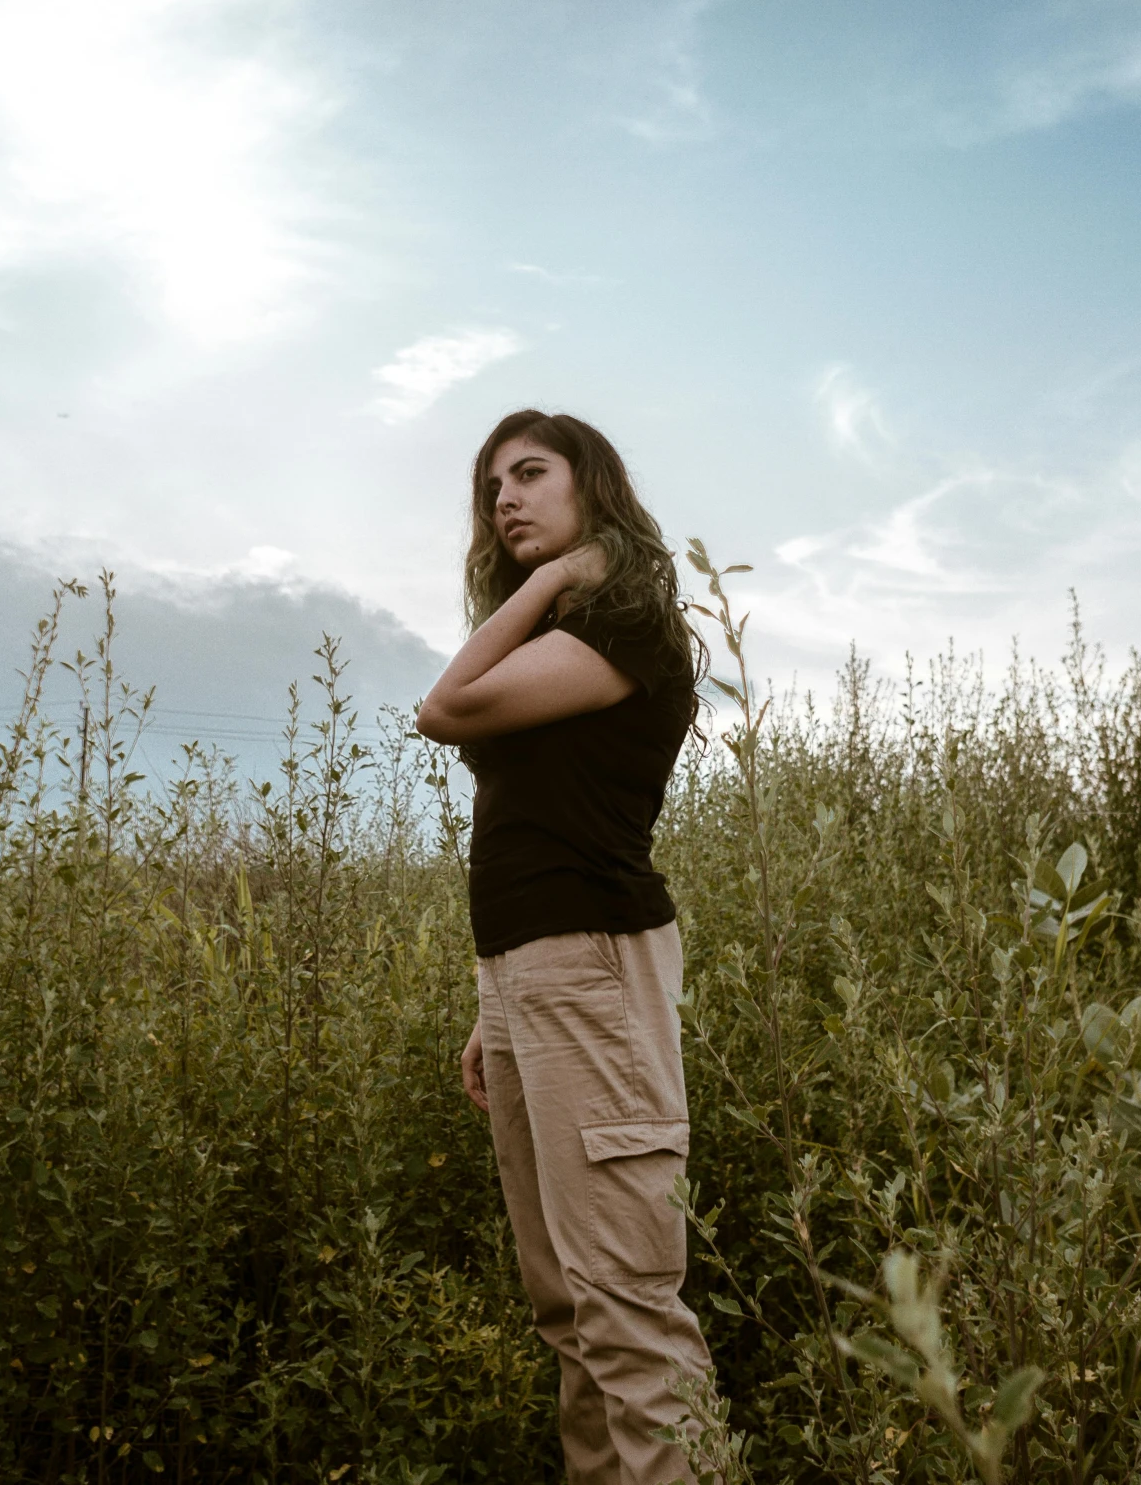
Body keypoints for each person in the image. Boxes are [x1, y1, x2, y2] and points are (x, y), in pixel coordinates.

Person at [416, 409, 712, 1484]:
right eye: (492, 482)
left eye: (531, 474)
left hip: (589, 960)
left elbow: (445, 706)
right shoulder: (562, 644)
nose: (503, 497)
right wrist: (491, 1003)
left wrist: (544, 583)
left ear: (594, 489)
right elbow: (541, 817)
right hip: (531, 971)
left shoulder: (622, 631)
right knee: (569, 1309)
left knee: (626, 1306)